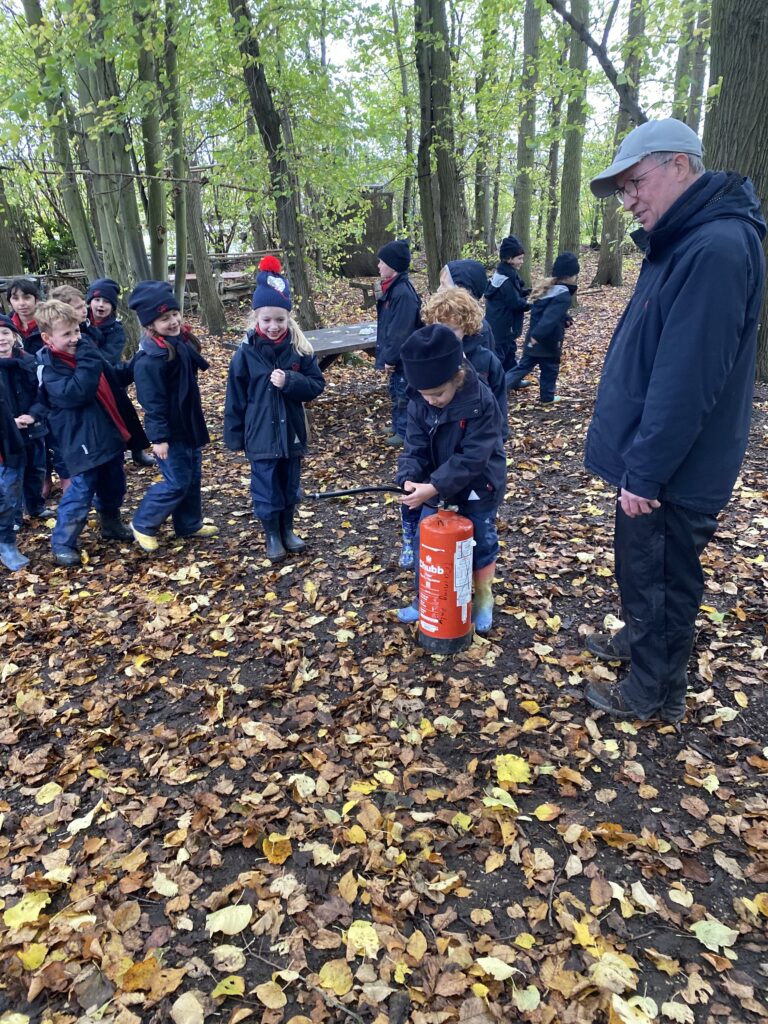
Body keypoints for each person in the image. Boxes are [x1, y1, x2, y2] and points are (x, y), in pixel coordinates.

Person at [582, 117, 766, 723]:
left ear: (679, 165)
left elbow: (687, 379)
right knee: (640, 566)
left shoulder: (715, 248)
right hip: (653, 458)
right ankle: (641, 647)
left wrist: (647, 470)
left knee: (660, 573)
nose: (628, 201)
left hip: (673, 469)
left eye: (634, 184)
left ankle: (654, 692)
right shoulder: (681, 241)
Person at [395, 324, 506, 634]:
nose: (431, 400)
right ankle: (426, 598)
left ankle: (483, 597)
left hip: (478, 486)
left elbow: (474, 456)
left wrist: (434, 485)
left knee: (480, 542)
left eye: (438, 394)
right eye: (425, 395)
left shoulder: (480, 402)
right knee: (425, 540)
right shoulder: (420, 401)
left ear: (456, 378)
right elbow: (414, 445)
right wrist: (408, 478)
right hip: (436, 485)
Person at [224, 256, 325, 562]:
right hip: (260, 437)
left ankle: (288, 528)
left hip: (291, 433)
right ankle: (271, 534)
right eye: (266, 319)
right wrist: (235, 435)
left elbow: (315, 385)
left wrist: (291, 381)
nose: (273, 326)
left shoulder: (298, 350)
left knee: (290, 485)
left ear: (288, 319)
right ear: (256, 318)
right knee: (266, 487)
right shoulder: (245, 354)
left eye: (279, 319)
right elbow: (235, 397)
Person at [33, 300, 147, 567]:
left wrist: (141, 357)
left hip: (108, 432)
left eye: (77, 331)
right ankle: (63, 542)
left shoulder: (86, 354)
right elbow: (77, 392)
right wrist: (87, 355)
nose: (75, 339)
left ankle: (111, 522)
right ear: (47, 338)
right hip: (80, 439)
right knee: (81, 490)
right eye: (67, 334)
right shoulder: (49, 367)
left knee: (114, 483)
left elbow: (114, 375)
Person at [129, 281, 218, 551]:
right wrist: (158, 438)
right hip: (170, 431)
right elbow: (151, 402)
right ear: (150, 325)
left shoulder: (179, 344)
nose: (173, 321)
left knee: (192, 477)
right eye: (164, 318)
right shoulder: (150, 360)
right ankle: (143, 523)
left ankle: (189, 523)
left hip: (188, 424)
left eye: (175, 314)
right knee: (177, 482)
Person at [88, 278, 154, 468]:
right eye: (97, 300)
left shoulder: (116, 329)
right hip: (88, 380)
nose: (101, 305)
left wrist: (88, 355)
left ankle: (137, 449)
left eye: (106, 301)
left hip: (111, 378)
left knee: (125, 414)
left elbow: (108, 356)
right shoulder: (80, 324)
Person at [504, 252, 579, 405]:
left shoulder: (549, 289)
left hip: (535, 338)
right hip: (546, 340)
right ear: (570, 275)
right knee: (550, 369)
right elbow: (549, 317)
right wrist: (538, 335)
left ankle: (496, 389)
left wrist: (565, 318)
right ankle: (547, 397)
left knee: (523, 367)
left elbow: (549, 311)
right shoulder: (563, 294)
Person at [0, 314, 47, 532]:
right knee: (12, 477)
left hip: (33, 428)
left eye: (5, 332)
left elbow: (42, 392)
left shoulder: (29, 361)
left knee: (37, 469)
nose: (1, 338)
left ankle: (36, 506)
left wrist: (33, 415)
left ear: (14, 335)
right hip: (7, 435)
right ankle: (14, 517)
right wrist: (9, 421)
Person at [375, 239, 422, 448]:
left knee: (403, 394)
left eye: (381, 262)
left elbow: (399, 332)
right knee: (395, 391)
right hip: (398, 357)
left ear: (392, 266)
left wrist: (390, 358)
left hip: (404, 358)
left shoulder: (403, 294)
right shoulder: (392, 290)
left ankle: (404, 432)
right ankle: (396, 425)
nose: (378, 266)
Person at [484, 236, 531, 373]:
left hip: (503, 325)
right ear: (509, 258)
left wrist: (526, 292)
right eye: (519, 258)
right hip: (501, 325)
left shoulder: (506, 274)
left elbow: (514, 294)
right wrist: (533, 304)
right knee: (500, 355)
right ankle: (495, 386)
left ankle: (512, 380)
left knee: (510, 350)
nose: (522, 261)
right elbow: (515, 303)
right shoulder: (505, 279)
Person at [7, 278, 43, 356]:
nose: (21, 303)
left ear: (36, 300)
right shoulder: (5, 325)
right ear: (10, 302)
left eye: (27, 297)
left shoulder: (50, 322)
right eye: (15, 298)